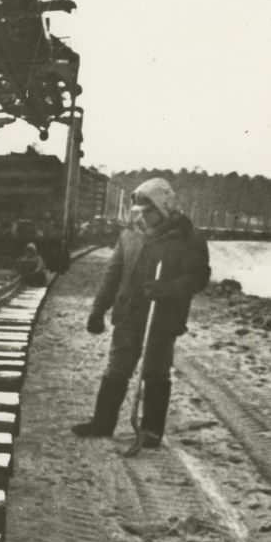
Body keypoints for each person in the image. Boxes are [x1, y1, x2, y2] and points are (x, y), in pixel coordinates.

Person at [71, 178, 210, 447]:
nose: (144, 217)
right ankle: (102, 423)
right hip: (129, 314)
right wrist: (98, 309)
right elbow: (113, 275)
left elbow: (198, 277)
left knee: (156, 371)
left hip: (162, 319)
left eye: (149, 211)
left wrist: (166, 288)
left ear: (164, 206)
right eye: (140, 212)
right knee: (117, 368)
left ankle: (151, 431)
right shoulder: (130, 234)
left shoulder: (188, 237)